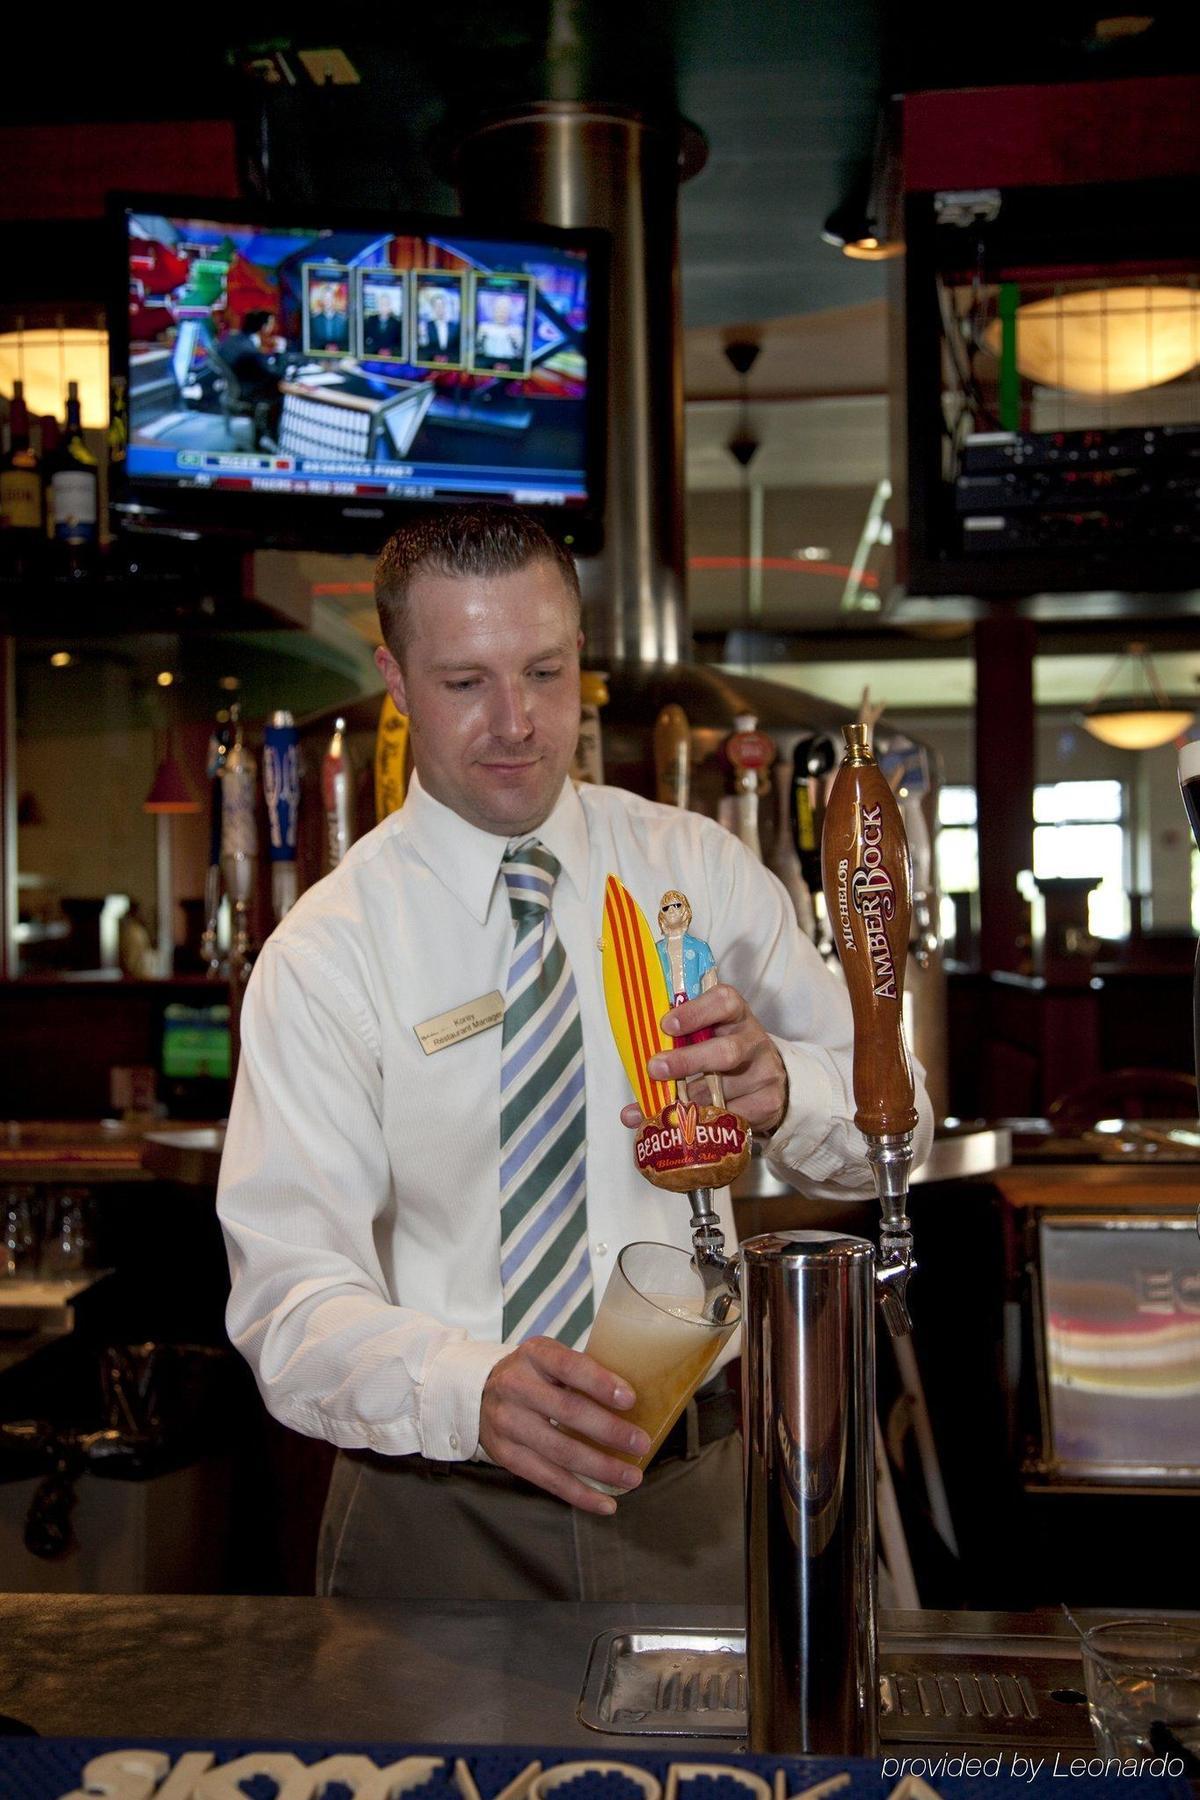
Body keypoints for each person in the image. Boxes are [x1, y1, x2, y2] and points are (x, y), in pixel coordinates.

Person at [217, 506, 934, 1605]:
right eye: (465, 683)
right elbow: (289, 1297)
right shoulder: (327, 951)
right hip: (434, 1509)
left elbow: (900, 1140)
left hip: (698, 1489)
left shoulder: (697, 864)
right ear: (396, 680)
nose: (517, 723)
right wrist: (473, 1388)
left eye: (546, 672)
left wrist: (788, 1090)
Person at [217, 309, 284, 444]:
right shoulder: (250, 351)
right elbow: (275, 374)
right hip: (247, 393)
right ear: (263, 327)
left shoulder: (232, 340)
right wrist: (280, 352)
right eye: (271, 324)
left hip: (232, 391)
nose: (273, 328)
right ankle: (272, 438)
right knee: (279, 393)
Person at [474, 292, 525, 367]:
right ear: (493, 310)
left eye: (505, 309)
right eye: (499, 309)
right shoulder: (483, 327)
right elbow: (477, 351)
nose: (501, 313)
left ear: (510, 311)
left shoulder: (517, 330)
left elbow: (520, 355)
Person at [418, 286, 460, 362]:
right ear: (433, 308)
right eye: (437, 306)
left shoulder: (455, 327)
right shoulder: (426, 326)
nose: (440, 309)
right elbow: (422, 347)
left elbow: (458, 349)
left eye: (442, 305)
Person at [363, 287, 404, 357]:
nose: (383, 307)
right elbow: (365, 340)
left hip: (392, 356)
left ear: (390, 306)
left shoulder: (397, 323)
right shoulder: (370, 320)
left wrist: (390, 351)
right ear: (378, 305)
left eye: (386, 304)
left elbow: (399, 344)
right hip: (373, 355)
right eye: (381, 304)